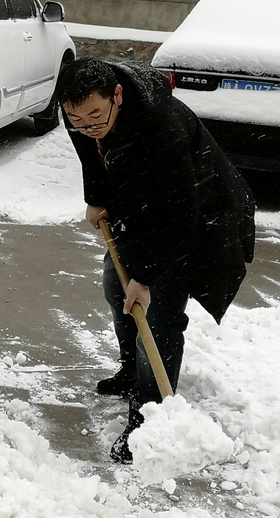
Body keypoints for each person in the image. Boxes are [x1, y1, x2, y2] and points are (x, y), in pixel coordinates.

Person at [56, 57, 255, 463]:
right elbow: (91, 152)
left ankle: (150, 415)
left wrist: (145, 277)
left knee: (157, 314)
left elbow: (178, 213)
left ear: (117, 95)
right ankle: (133, 372)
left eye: (96, 115)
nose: (88, 125)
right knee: (117, 289)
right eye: (76, 118)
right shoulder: (80, 115)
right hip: (143, 208)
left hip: (199, 216)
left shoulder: (160, 128)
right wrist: (95, 197)